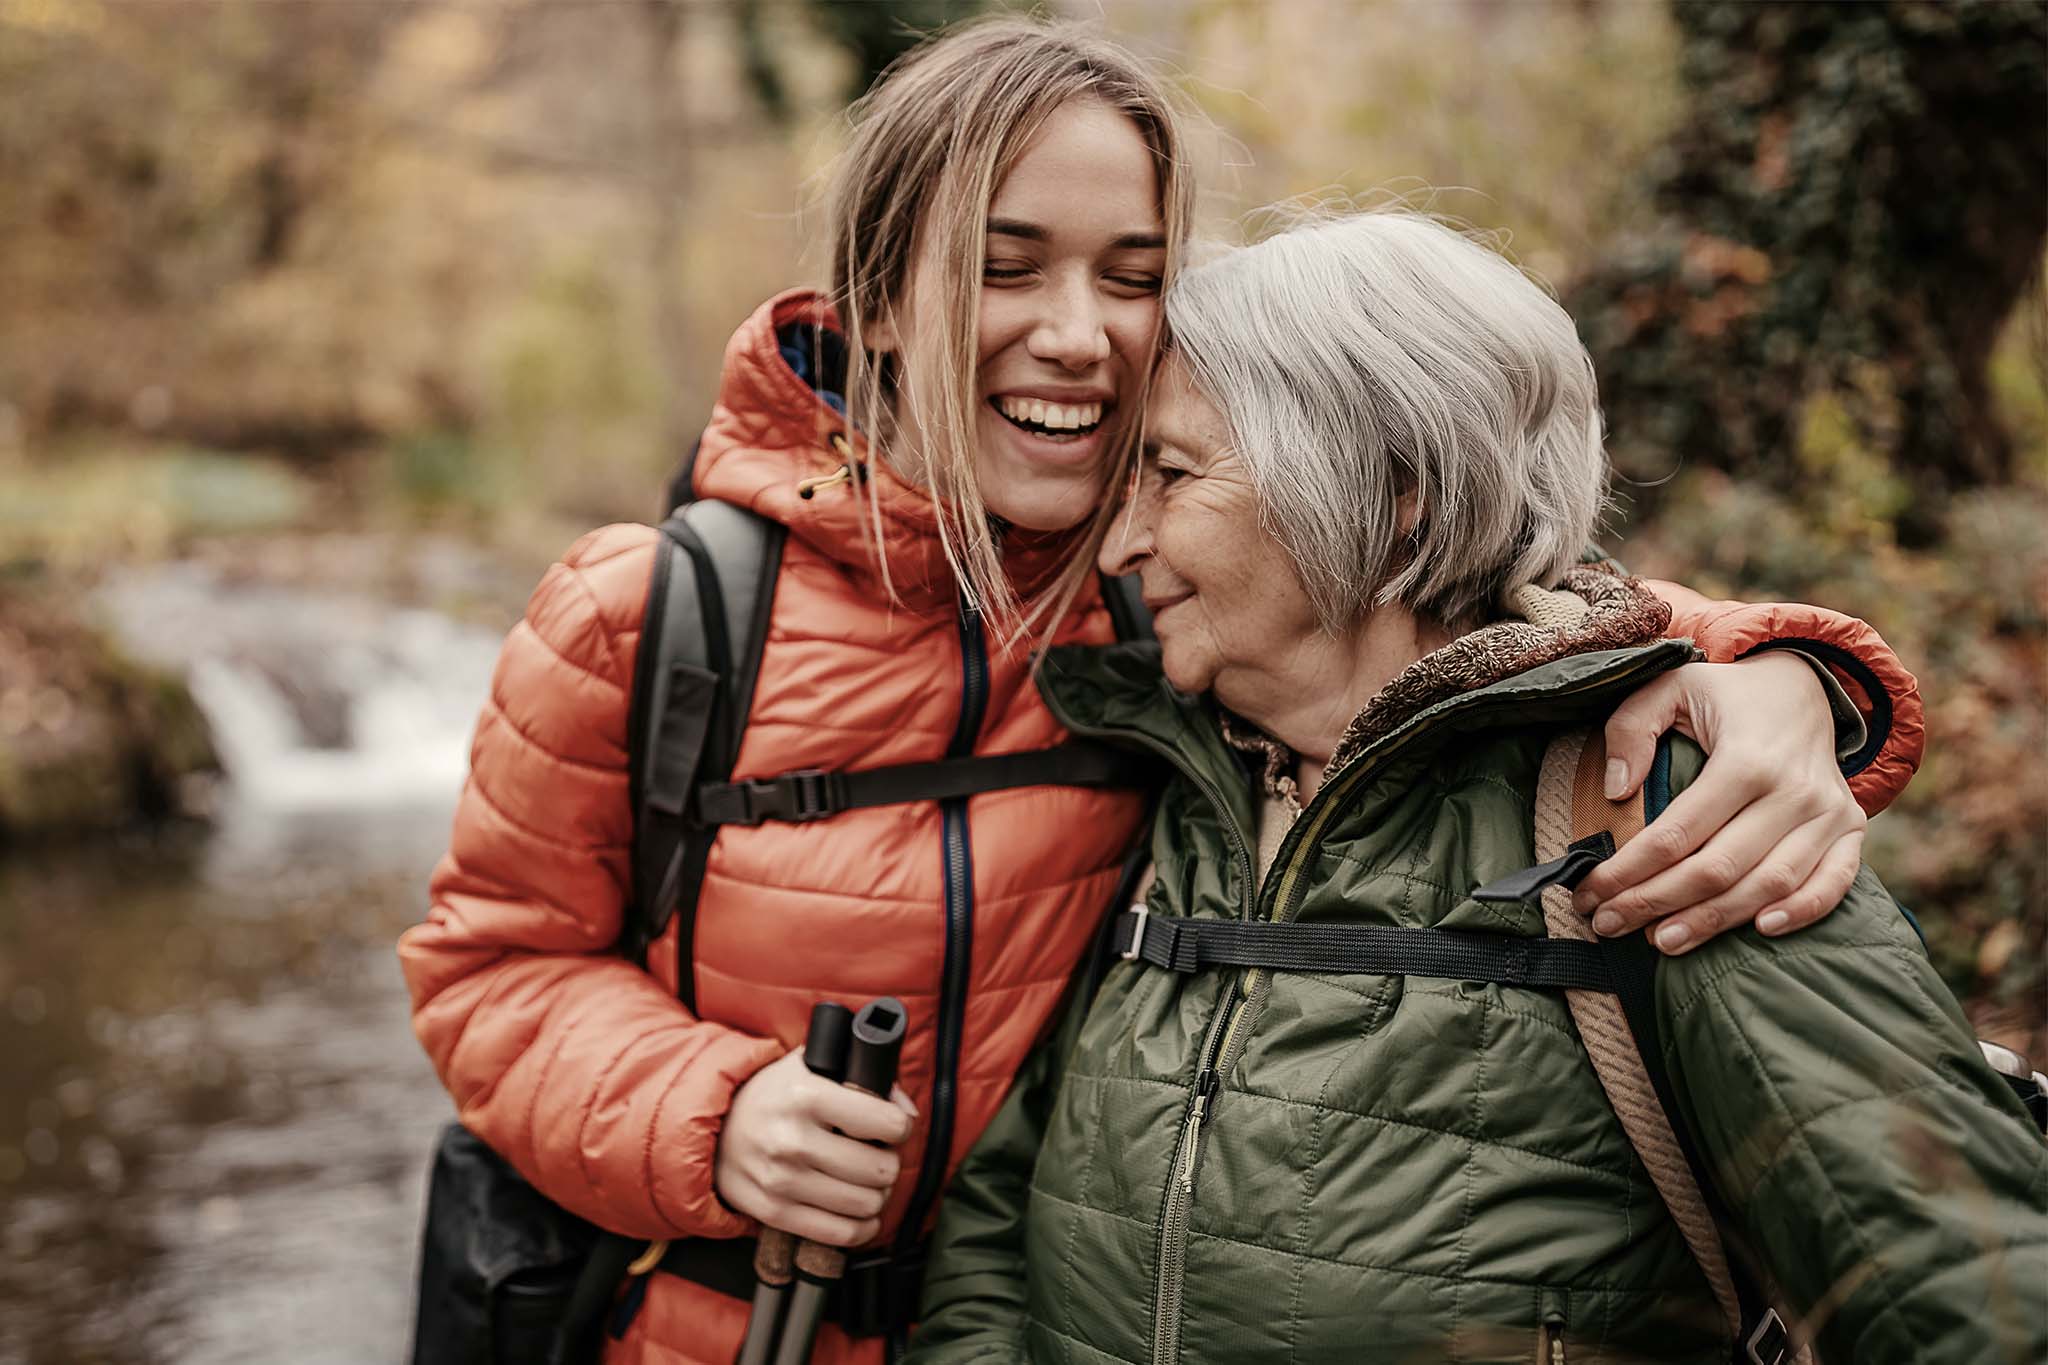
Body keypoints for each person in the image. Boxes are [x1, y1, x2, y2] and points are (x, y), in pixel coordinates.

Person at [398, 20, 1925, 1365]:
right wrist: (710, 1118)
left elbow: (1489, 599)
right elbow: (489, 973)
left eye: (1132, 278)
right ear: (871, 300)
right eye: (1005, 266)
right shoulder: (653, 609)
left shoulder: (1179, 589)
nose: (1078, 333)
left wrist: (1774, 665)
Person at [903, 210, 2046, 1365]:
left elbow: (1968, 1296)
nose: (1120, 546)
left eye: (1171, 473)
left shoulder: (1665, 813)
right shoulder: (1176, 804)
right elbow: (993, 1240)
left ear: (1390, 491)